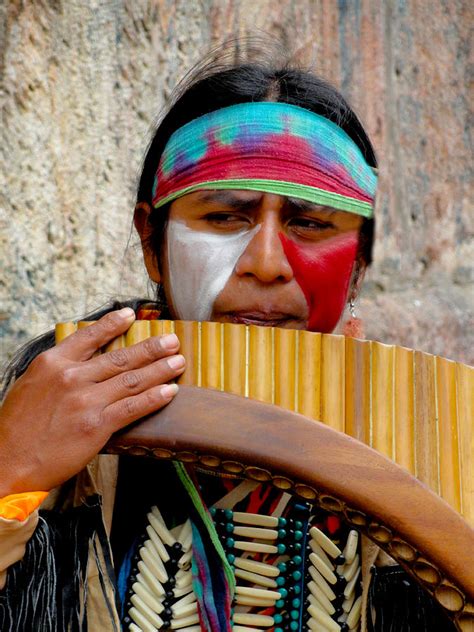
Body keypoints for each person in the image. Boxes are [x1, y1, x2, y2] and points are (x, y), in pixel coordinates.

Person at [0, 51, 455, 632]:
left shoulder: (426, 434)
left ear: (359, 265)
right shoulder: (55, 408)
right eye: (224, 217)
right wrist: (9, 477)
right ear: (151, 242)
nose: (266, 264)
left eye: (310, 224)